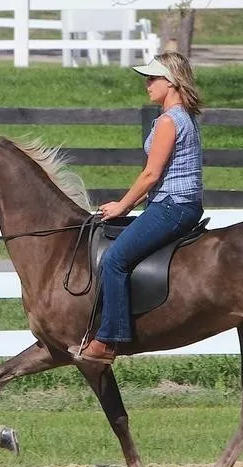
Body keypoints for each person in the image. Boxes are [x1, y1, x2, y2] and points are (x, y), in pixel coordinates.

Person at [70, 51, 204, 365]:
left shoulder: (170, 120)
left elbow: (151, 174)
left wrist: (122, 205)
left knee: (115, 259)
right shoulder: (183, 116)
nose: (147, 84)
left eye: (153, 77)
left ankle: (110, 339)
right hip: (175, 203)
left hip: (172, 207)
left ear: (171, 82)